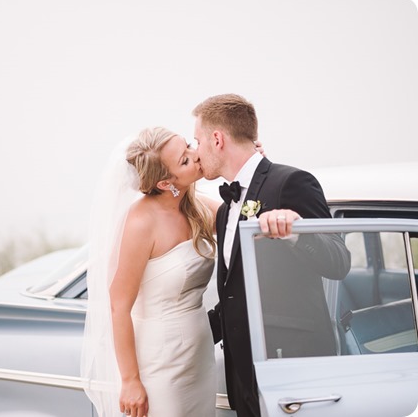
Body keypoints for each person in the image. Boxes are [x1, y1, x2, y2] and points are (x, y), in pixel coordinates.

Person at [192, 93, 351, 417]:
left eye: (197, 141)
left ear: (217, 139)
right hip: (244, 377)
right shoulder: (224, 212)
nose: (196, 151)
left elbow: (339, 261)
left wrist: (295, 235)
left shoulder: (292, 182)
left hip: (292, 368)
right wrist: (184, 338)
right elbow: (236, 296)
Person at [81, 127, 221, 417]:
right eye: (184, 160)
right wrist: (131, 381)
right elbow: (119, 306)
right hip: (159, 362)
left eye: (189, 146)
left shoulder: (199, 207)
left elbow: (244, 223)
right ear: (164, 183)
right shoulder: (141, 223)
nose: (196, 157)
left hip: (199, 356)